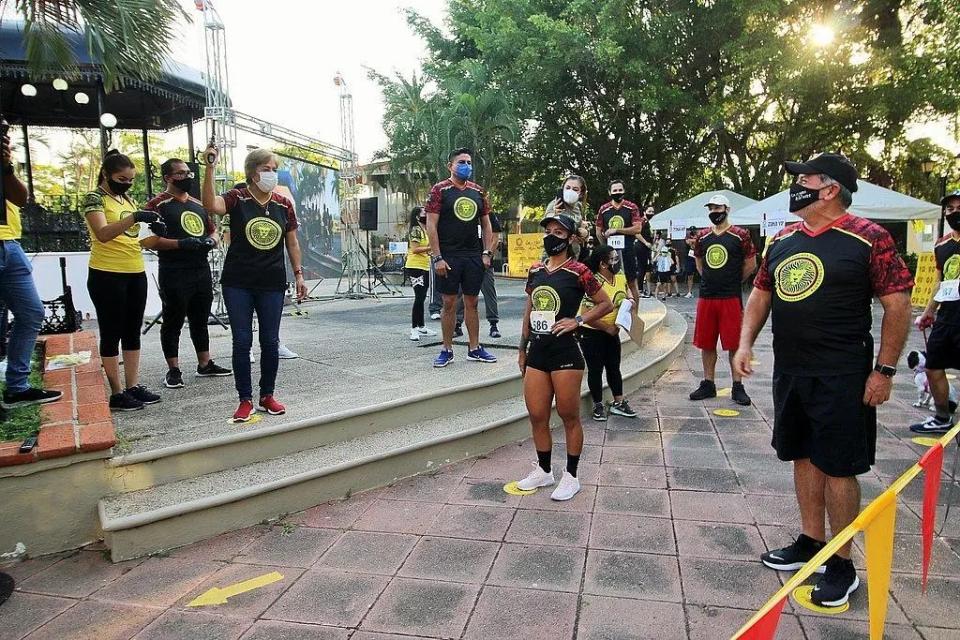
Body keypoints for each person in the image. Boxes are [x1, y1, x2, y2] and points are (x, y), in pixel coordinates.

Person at [734, 153, 912, 608]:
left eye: (804, 179)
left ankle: (842, 562)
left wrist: (885, 369)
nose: (796, 186)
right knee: (802, 457)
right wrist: (744, 343)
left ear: (830, 189)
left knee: (838, 466)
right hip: (792, 370)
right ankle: (812, 541)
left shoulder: (870, 238)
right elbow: (761, 294)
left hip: (843, 374)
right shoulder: (783, 238)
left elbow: (897, 305)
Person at [202, 146, 307, 422]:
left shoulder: (283, 204)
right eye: (265, 169)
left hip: (271, 282)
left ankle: (267, 395)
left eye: (274, 169)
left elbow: (292, 242)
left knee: (270, 341)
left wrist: (298, 274)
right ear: (252, 173)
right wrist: (210, 167)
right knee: (242, 341)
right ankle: (244, 399)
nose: (271, 174)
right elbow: (211, 205)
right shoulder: (238, 197)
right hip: (239, 281)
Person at [514, 214, 612, 501]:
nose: (551, 236)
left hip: (566, 352)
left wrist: (577, 320)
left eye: (559, 232)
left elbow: (605, 303)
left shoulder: (579, 271)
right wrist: (522, 347)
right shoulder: (535, 271)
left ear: (570, 238)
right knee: (537, 415)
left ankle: (571, 476)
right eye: (548, 231)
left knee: (569, 415)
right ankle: (544, 470)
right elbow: (529, 311)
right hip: (538, 352)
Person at [82, 150, 162, 411]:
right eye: (122, 178)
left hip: (134, 270)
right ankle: (116, 392)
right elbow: (103, 233)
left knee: (132, 331)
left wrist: (153, 229)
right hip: (107, 273)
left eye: (130, 179)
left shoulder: (125, 198)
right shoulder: (94, 198)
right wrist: (135, 217)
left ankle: (132, 385)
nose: (127, 183)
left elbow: (131, 236)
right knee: (111, 331)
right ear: (106, 174)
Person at [142, 158, 232, 388]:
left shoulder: (198, 204)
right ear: (168, 178)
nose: (187, 177)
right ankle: (173, 369)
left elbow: (213, 231)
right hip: (174, 270)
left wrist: (210, 242)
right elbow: (147, 240)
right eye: (181, 173)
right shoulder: (156, 205)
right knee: (173, 320)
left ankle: (205, 363)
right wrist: (180, 244)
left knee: (200, 318)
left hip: (199, 268)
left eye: (188, 173)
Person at [0, 135, 62, 409]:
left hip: (10, 245)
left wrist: (5, 166)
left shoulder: (5, 167)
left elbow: (20, 198)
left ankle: (17, 387)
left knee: (31, 313)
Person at [425, 148, 497, 367]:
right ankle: (447, 349)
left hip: (473, 256)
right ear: (451, 166)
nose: (466, 165)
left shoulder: (478, 191)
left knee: (472, 303)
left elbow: (487, 225)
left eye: (469, 162)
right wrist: (437, 257)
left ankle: (474, 348)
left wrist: (486, 253)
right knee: (448, 303)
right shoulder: (440, 190)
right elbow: (431, 224)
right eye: (461, 162)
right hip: (448, 256)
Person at [689, 194, 756, 406]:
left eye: (718, 208)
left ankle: (738, 385)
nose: (714, 212)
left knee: (734, 342)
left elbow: (750, 264)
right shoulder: (702, 236)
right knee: (706, 342)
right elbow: (699, 263)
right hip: (707, 296)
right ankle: (708, 383)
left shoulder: (740, 235)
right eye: (711, 208)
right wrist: (710, 279)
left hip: (730, 297)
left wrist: (733, 281)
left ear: (726, 209)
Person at [911, 190, 960, 433]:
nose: (954, 213)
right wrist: (929, 311)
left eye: (958, 208)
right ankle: (942, 417)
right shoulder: (942, 244)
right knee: (932, 365)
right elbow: (940, 281)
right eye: (950, 209)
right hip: (948, 316)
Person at [581, 245, 636, 421]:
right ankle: (598, 405)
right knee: (596, 369)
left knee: (614, 366)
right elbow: (585, 315)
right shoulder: (592, 282)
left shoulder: (619, 277)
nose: (616, 262)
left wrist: (631, 300)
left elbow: (627, 292)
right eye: (612, 259)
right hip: (593, 332)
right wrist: (606, 327)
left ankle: (619, 402)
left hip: (613, 330)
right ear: (603, 264)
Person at [456, 211, 502, 339]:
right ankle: (457, 325)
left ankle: (493, 324)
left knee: (489, 292)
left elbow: (495, 238)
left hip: (484, 262)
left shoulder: (489, 215)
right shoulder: (464, 215)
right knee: (460, 293)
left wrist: (487, 255)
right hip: (466, 259)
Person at [596, 179, 644, 302]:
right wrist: (604, 248)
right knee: (609, 281)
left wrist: (616, 229)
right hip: (610, 253)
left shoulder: (631, 207)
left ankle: (635, 316)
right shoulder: (604, 209)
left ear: (624, 191)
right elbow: (598, 231)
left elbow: (637, 228)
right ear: (609, 192)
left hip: (628, 250)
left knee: (631, 282)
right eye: (615, 190)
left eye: (620, 190)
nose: (617, 192)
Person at [404, 206, 436, 341]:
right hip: (415, 267)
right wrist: (431, 247)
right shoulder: (416, 230)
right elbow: (415, 249)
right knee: (418, 297)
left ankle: (422, 326)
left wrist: (430, 251)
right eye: (423, 212)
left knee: (423, 297)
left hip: (425, 266)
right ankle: (414, 329)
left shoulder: (424, 229)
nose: (426, 213)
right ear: (417, 216)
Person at [636, 205, 656, 298]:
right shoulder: (642, 221)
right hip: (641, 247)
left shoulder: (648, 222)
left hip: (646, 248)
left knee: (644, 269)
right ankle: (639, 290)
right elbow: (637, 233)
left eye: (652, 212)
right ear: (644, 212)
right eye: (649, 211)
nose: (651, 213)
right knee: (641, 268)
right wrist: (645, 242)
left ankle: (640, 289)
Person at [682, 226, 698, 298]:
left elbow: (695, 244)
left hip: (697, 257)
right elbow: (688, 243)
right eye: (691, 230)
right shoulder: (687, 236)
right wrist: (693, 241)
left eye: (693, 230)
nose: (692, 231)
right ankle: (689, 292)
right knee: (690, 276)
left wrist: (693, 241)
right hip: (689, 258)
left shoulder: (698, 236)